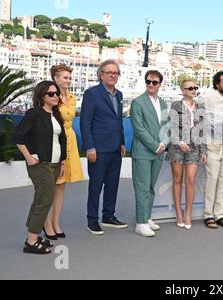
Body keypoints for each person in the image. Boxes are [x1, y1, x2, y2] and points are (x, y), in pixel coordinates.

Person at [14, 81, 66, 254]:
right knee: (45, 200)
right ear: (42, 96)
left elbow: (61, 140)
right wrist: (28, 157)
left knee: (39, 199)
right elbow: (18, 136)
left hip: (55, 164)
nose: (55, 96)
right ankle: (31, 241)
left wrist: (63, 162)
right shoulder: (34, 114)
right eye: (51, 94)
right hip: (40, 165)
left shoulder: (56, 115)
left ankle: (33, 235)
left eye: (56, 93)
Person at [80, 59, 127, 235]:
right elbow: (85, 123)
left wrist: (122, 142)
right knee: (96, 186)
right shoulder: (92, 94)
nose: (113, 75)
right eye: (109, 72)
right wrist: (90, 147)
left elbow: (118, 121)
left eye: (115, 73)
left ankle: (108, 216)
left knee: (113, 185)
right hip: (98, 150)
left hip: (115, 148)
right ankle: (92, 220)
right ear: (101, 75)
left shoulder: (120, 95)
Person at [42, 64, 84, 240]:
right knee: (49, 186)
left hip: (69, 140)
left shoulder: (73, 98)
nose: (68, 80)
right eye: (64, 77)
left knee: (61, 185)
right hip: (54, 141)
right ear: (55, 78)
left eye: (69, 77)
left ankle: (56, 222)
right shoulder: (50, 97)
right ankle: (45, 223)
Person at [130, 70, 169, 237]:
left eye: (154, 82)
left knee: (151, 188)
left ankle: (146, 217)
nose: (150, 84)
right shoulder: (138, 102)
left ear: (160, 84)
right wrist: (155, 145)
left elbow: (167, 126)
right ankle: (140, 223)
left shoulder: (163, 103)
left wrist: (164, 144)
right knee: (142, 188)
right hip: (143, 152)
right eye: (148, 81)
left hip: (158, 152)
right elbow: (139, 129)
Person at [166, 78, 207, 230]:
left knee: (190, 179)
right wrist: (179, 142)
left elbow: (202, 130)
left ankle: (188, 214)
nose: (193, 90)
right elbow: (171, 126)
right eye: (190, 88)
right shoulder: (176, 105)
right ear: (183, 90)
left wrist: (204, 151)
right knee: (178, 179)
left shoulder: (201, 107)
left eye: (195, 87)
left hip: (194, 147)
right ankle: (179, 212)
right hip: (177, 147)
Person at [198, 71, 223, 229]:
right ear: (217, 84)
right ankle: (208, 214)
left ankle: (220, 214)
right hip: (212, 147)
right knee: (211, 182)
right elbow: (194, 111)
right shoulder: (207, 97)